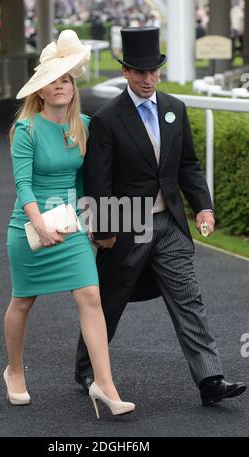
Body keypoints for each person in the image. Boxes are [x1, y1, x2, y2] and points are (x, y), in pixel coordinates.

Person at [75, 27, 247, 407]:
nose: (147, 79)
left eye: (153, 71)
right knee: (110, 300)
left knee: (188, 297)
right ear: (125, 72)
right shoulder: (106, 119)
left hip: (169, 223)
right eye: (139, 72)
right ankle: (86, 368)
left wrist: (203, 205)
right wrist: (104, 230)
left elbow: (187, 165)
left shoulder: (174, 108)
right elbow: (98, 182)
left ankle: (210, 378)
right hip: (127, 223)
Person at [4, 29, 135, 418]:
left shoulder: (86, 126)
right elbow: (22, 184)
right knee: (23, 302)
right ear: (41, 91)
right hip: (29, 227)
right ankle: (13, 371)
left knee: (90, 297)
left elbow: (86, 181)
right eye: (53, 82)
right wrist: (40, 225)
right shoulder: (25, 129)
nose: (61, 86)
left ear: (72, 87)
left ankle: (105, 384)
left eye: (66, 80)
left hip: (71, 223)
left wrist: (92, 222)